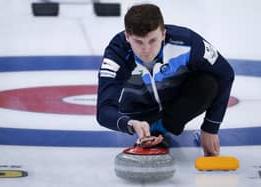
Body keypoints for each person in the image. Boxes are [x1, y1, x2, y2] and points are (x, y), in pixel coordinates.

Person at [96, 4, 234, 156]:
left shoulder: (188, 43)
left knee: (207, 84)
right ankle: (149, 129)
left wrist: (210, 128)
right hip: (139, 112)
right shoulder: (117, 53)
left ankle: (162, 127)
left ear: (163, 33)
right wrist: (130, 123)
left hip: (177, 102)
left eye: (152, 40)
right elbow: (104, 110)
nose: (146, 49)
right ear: (127, 37)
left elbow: (225, 74)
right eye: (139, 42)